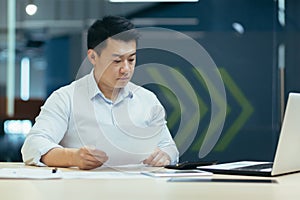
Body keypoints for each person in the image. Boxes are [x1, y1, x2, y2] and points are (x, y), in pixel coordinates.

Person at [21, 16, 179, 170]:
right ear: (92, 56)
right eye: (116, 61)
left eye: (131, 59)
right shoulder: (65, 98)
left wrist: (165, 155)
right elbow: (33, 145)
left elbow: (169, 148)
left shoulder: (148, 100)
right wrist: (73, 157)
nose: (126, 69)